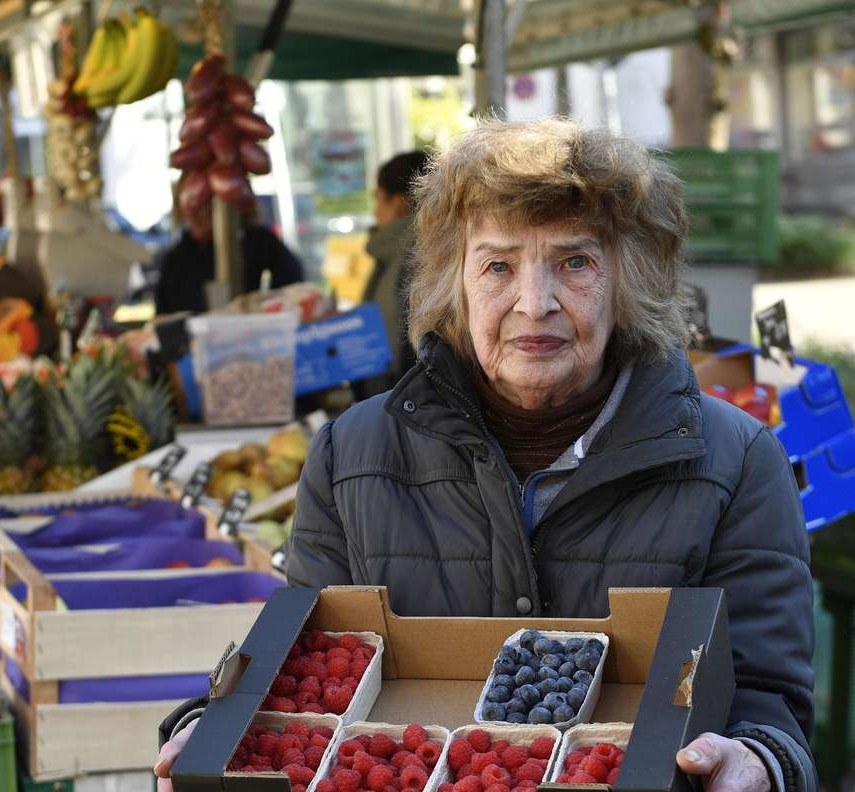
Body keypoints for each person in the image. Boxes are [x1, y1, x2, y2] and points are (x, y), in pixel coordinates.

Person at [156, 120, 815, 792]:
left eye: (575, 262)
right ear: (456, 283)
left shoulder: (737, 461)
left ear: (628, 279)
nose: (535, 303)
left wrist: (760, 761)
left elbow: (769, 702)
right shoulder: (350, 455)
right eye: (499, 266)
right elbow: (310, 676)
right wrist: (217, 728)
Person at [152, 196, 305, 315]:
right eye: (192, 204)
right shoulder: (176, 259)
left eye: (207, 204)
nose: (200, 212)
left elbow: (294, 294)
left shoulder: (263, 244)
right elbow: (163, 315)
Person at [360, 150, 430, 388]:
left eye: (378, 200)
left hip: (401, 395)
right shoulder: (396, 253)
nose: (375, 213)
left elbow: (395, 342)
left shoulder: (412, 254)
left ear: (399, 204)